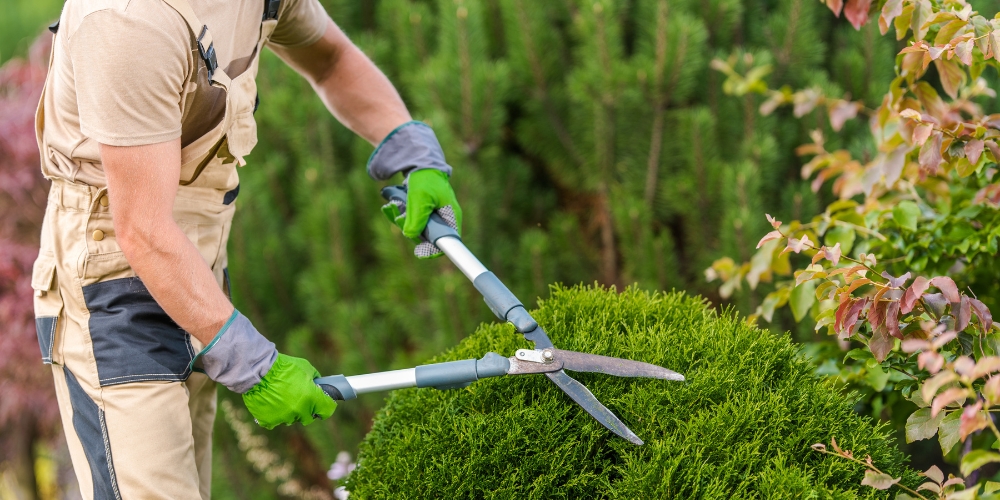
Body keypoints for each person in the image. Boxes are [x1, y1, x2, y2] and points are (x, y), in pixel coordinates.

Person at [31, 0, 461, 498]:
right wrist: (253, 363)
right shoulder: (128, 21)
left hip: (196, 269)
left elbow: (330, 59)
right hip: (114, 289)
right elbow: (143, 230)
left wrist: (409, 147)